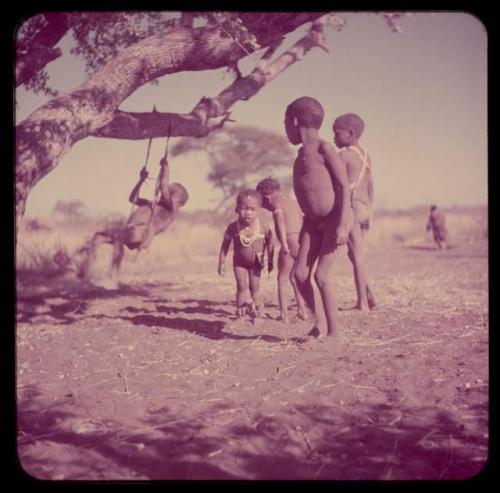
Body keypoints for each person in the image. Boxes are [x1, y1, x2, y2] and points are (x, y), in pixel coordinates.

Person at [53, 158, 189, 287]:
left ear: (177, 199)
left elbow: (164, 188)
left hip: (143, 233)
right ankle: (75, 262)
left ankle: (113, 278)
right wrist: (141, 180)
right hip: (132, 230)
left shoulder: (171, 209)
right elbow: (133, 199)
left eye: (170, 193)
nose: (163, 193)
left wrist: (166, 168)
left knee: (118, 237)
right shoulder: (153, 203)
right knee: (99, 236)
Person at [285, 96, 352, 338]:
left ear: (294, 121)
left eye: (285, 124)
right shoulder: (299, 157)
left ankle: (334, 332)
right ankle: (319, 323)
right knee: (300, 274)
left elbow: (344, 186)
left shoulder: (325, 149)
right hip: (312, 223)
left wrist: (343, 224)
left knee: (322, 276)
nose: (285, 131)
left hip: (335, 218)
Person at [333, 113, 377, 311]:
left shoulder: (343, 156)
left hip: (351, 207)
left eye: (337, 133)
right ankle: (369, 296)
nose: (334, 137)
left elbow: (339, 185)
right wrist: (369, 210)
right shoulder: (366, 155)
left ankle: (363, 304)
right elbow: (370, 186)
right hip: (366, 207)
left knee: (357, 256)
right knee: (355, 254)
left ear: (350, 134)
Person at [256, 177, 307, 323]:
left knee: (282, 278)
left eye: (263, 204)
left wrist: (284, 243)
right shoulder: (293, 202)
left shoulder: (276, 204)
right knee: (295, 277)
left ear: (266, 198)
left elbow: (280, 222)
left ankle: (284, 314)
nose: (265, 208)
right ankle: (302, 310)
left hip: (289, 241)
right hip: (302, 242)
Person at [218, 189, 274, 319]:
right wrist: (221, 262)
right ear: (237, 209)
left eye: (252, 209)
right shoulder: (233, 227)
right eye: (243, 208)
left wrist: (270, 261)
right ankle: (241, 312)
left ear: (259, 210)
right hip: (239, 263)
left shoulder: (263, 228)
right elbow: (225, 244)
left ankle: (259, 310)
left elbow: (271, 242)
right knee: (241, 286)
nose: (247, 213)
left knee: (255, 288)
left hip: (256, 263)